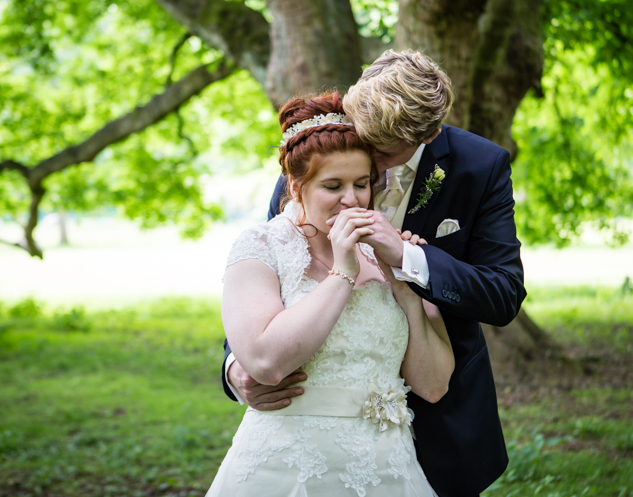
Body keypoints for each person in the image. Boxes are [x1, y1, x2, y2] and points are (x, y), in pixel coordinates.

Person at [224, 50, 527, 497]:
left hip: (439, 411)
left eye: (380, 153)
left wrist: (408, 259)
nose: (364, 160)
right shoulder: (323, 152)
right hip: (302, 423)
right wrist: (238, 365)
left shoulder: (479, 167)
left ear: (428, 135)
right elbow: (270, 266)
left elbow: (503, 294)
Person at [206, 92, 454, 496]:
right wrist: (343, 271)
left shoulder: (390, 251)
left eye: (361, 184)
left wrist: (405, 287)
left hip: (387, 470)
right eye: (332, 186)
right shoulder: (260, 247)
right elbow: (266, 363)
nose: (351, 200)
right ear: (296, 186)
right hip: (286, 468)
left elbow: (433, 385)